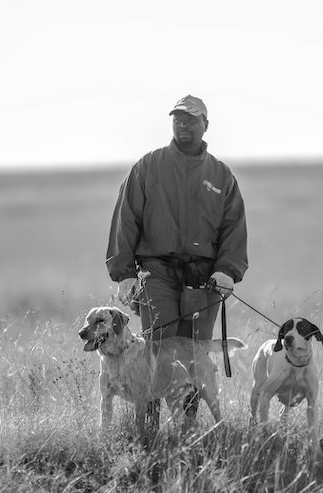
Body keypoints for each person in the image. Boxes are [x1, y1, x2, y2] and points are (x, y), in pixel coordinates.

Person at [105, 94, 248, 425]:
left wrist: (228, 271)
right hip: (157, 275)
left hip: (205, 279)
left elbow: (234, 228)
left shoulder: (221, 176)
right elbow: (126, 220)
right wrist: (125, 274)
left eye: (191, 119)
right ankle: (151, 430)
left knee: (195, 353)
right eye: (178, 118)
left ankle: (187, 430)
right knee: (156, 349)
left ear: (205, 125)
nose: (183, 124)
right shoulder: (148, 167)